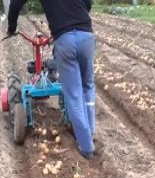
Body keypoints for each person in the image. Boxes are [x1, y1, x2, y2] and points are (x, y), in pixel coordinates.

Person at [7, 0, 96, 159]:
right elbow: (88, 2)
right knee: (88, 87)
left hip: (65, 39)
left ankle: (86, 147)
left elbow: (15, 4)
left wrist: (11, 28)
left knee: (74, 94)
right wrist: (77, 15)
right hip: (86, 35)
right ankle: (91, 131)